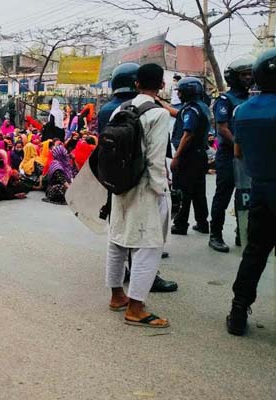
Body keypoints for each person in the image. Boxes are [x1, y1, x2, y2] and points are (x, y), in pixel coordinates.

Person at [105, 64, 171, 328]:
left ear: (135, 84)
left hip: (119, 185)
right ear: (162, 86)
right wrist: (160, 191)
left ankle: (116, 296)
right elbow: (156, 158)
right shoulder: (158, 113)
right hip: (144, 187)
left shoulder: (121, 110)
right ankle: (136, 308)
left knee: (117, 239)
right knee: (149, 244)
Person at [225, 48, 276, 336]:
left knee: (254, 254)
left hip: (260, 190)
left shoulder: (243, 110)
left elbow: (238, 152)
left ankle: (238, 312)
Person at [208, 56, 255, 253]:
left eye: (250, 74)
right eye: (244, 74)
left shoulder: (252, 99)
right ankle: (215, 235)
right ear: (234, 77)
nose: (248, 78)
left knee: (244, 197)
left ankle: (241, 233)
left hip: (247, 157)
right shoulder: (225, 100)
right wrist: (240, 144)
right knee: (223, 195)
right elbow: (222, 128)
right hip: (229, 155)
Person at [170, 77, 210, 235]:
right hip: (200, 155)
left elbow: (187, 135)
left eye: (180, 91)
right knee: (198, 191)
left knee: (182, 191)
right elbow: (177, 113)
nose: (178, 94)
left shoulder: (191, 110)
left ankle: (180, 224)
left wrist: (176, 157)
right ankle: (202, 223)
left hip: (188, 156)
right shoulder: (201, 107)